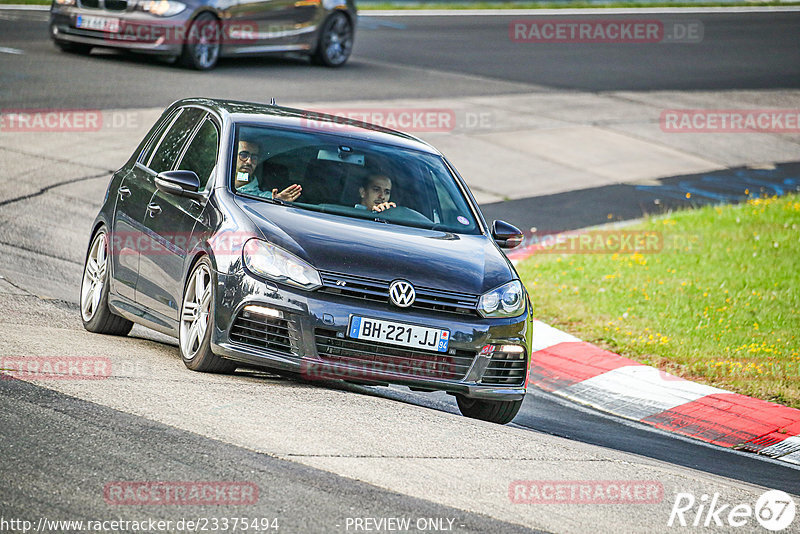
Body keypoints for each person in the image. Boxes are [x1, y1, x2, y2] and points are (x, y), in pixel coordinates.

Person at [234, 139, 302, 202]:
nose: (249, 161)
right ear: (232, 156)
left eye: (254, 157)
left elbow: (270, 199)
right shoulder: (223, 183)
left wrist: (277, 202)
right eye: (243, 155)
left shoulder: (261, 197)